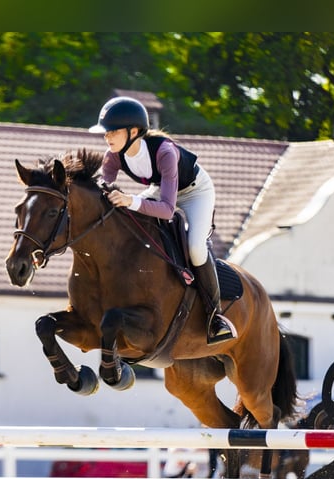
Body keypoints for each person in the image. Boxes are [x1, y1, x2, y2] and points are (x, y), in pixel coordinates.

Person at [90, 96, 236, 345]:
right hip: (161, 189)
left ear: (133, 131)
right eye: (106, 133)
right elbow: (103, 187)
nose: (107, 137)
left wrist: (130, 200)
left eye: (113, 131)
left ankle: (215, 317)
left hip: (194, 192)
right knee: (131, 221)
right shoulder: (113, 155)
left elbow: (168, 210)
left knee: (195, 248)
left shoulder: (165, 152)